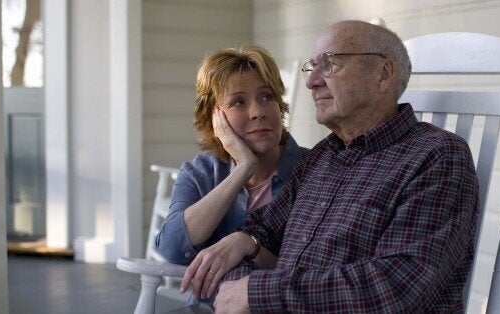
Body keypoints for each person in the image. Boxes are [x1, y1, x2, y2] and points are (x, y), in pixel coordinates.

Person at [181, 20, 480, 313]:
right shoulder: (323, 157)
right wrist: (243, 252)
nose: (311, 82)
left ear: (382, 73)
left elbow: (395, 286)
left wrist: (255, 292)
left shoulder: (436, 156)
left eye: (330, 64)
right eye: (312, 67)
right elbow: (257, 231)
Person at [154, 43, 308, 304]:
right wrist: (243, 168)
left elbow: (310, 269)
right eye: (238, 102)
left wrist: (250, 246)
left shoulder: (313, 168)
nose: (258, 112)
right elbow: (171, 249)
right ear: (214, 117)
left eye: (267, 96)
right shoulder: (199, 172)